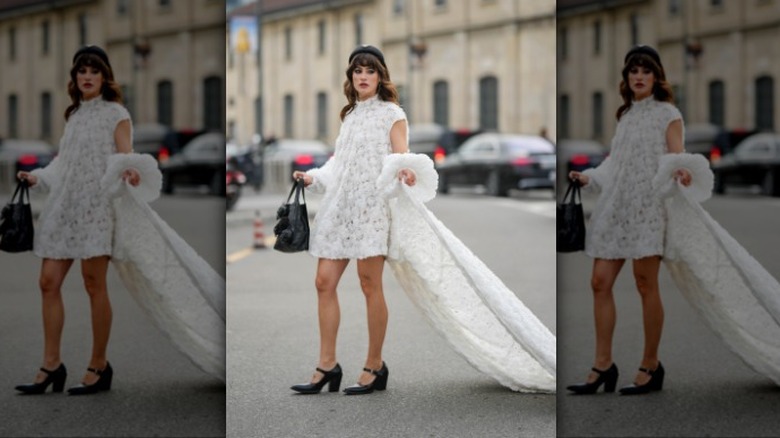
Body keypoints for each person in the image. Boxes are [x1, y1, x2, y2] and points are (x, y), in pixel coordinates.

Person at [14, 45, 142, 395]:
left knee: (92, 284)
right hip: (64, 207)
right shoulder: (73, 115)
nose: (86, 77)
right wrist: (37, 177)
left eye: (94, 71)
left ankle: (99, 365)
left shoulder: (116, 112)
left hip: (97, 208)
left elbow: (124, 156)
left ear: (104, 77)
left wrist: (130, 171)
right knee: (47, 281)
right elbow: (63, 164)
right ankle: (51, 365)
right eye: (81, 71)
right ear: (75, 78)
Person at [288, 45, 415, 395]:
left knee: (369, 284)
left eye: (369, 71)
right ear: (351, 77)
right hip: (340, 209)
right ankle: (327, 365)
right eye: (357, 71)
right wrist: (314, 178)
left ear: (380, 76)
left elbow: (401, 155)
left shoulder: (393, 113)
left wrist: (405, 171)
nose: (362, 76)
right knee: (323, 282)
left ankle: (375, 364)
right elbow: (338, 164)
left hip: (372, 209)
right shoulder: (351, 115)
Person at [566, 45, 692, 395]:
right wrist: (589, 177)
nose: (638, 76)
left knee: (644, 284)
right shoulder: (625, 115)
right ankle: (603, 365)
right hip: (616, 207)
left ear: (656, 77)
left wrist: (682, 170)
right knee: (599, 281)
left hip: (649, 208)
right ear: (627, 78)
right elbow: (615, 163)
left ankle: (651, 365)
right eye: (633, 71)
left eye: (645, 71)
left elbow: (676, 155)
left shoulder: (668, 113)